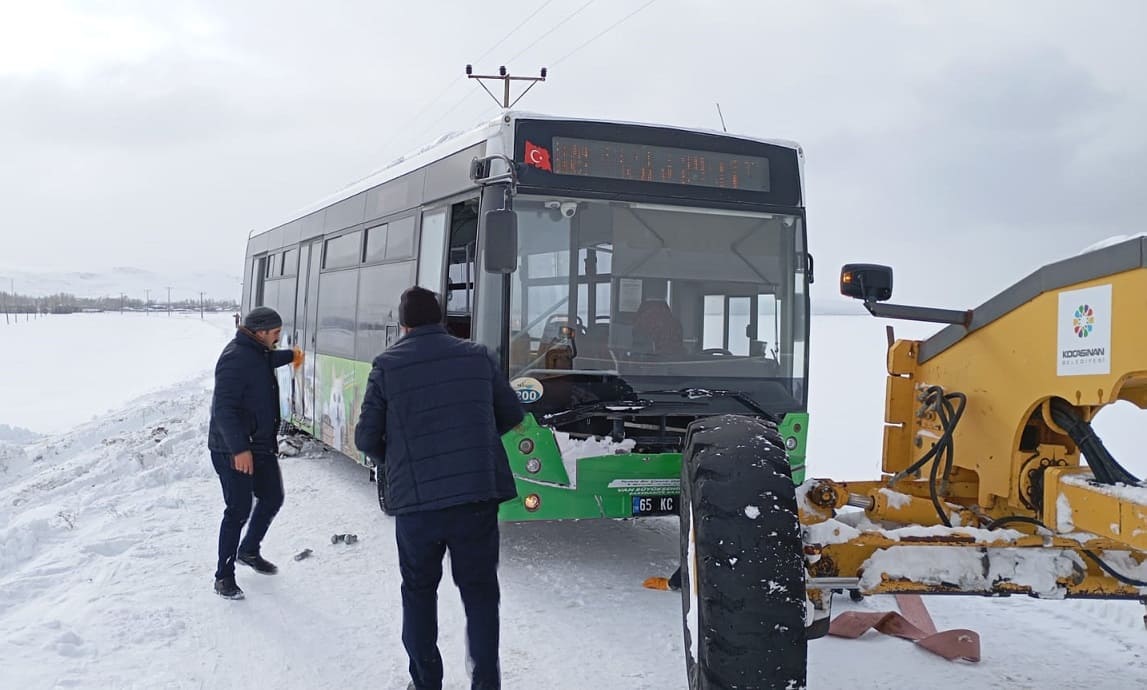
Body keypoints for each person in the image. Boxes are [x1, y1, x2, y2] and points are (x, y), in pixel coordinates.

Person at [355, 287, 524, 690]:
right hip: (475, 499)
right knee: (481, 593)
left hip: (417, 507)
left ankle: (426, 681)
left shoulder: (386, 365)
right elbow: (512, 414)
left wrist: (399, 458)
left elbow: (365, 439)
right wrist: (472, 444)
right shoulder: (477, 356)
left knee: (418, 591)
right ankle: (486, 682)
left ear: (404, 324)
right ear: (441, 319)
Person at [208, 306, 301, 600]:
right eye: (275, 333)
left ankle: (248, 550)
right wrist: (239, 449)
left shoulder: (256, 352)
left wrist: (292, 356)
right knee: (237, 510)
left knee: (273, 496)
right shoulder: (235, 359)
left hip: (258, 445)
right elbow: (223, 409)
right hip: (232, 449)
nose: (278, 338)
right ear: (260, 332)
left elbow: (268, 359)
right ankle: (223, 577)